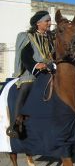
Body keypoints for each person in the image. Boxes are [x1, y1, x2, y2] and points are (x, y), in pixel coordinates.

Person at [6, 10, 55, 138]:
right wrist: (36, 65)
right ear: (38, 23)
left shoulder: (50, 37)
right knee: (26, 87)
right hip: (31, 71)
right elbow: (25, 56)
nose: (50, 23)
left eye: (50, 20)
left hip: (48, 69)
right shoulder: (28, 36)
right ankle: (15, 124)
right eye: (47, 21)